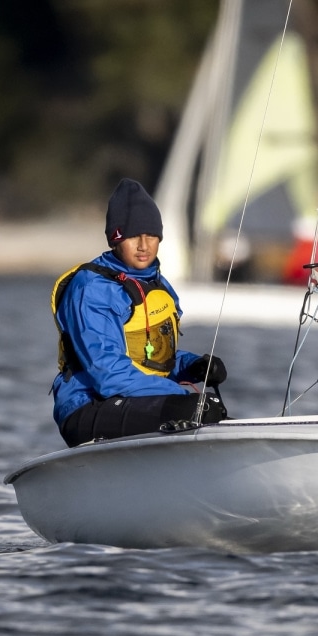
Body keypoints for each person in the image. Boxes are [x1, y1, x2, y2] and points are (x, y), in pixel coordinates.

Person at [51, 177, 228, 447]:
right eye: (133, 236)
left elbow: (146, 357)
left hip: (132, 401)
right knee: (199, 408)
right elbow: (107, 372)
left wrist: (192, 367)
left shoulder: (156, 283)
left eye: (151, 235)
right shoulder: (92, 288)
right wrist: (175, 393)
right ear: (116, 239)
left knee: (211, 410)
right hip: (87, 407)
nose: (144, 245)